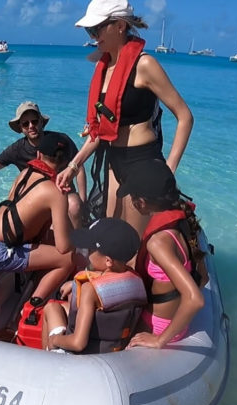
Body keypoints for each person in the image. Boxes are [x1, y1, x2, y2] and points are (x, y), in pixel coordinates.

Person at [56, 0, 193, 238]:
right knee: (111, 239)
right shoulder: (103, 65)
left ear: (120, 25)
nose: (93, 36)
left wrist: (167, 172)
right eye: (90, 31)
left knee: (130, 243)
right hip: (114, 160)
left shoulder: (145, 65)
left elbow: (185, 117)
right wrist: (73, 165)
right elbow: (100, 131)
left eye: (97, 29)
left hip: (143, 162)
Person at [0, 132, 79, 304]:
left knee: (50, 243)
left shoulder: (25, 173)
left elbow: (14, 209)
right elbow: (64, 247)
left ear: (38, 155)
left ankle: (30, 294)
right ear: (66, 163)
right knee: (68, 259)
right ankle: (32, 306)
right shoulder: (55, 192)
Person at [0, 101, 88, 228]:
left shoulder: (61, 141)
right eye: (26, 124)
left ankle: (79, 242)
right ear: (21, 128)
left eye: (35, 121)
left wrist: (83, 201)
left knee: (75, 205)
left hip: (65, 197)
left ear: (41, 122)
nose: (31, 126)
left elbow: (79, 167)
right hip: (37, 201)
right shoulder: (17, 149)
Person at [125, 160, 205, 348]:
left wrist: (160, 340)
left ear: (141, 202)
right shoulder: (186, 222)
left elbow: (195, 299)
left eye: (132, 197)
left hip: (158, 327)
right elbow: (204, 278)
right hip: (172, 323)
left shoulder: (159, 243)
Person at [42, 217, 145, 353]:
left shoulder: (90, 289)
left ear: (108, 261)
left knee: (51, 308)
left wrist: (55, 339)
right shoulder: (136, 280)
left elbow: (78, 343)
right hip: (113, 349)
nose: (87, 253)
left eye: (90, 250)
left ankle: (46, 358)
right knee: (62, 306)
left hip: (82, 357)